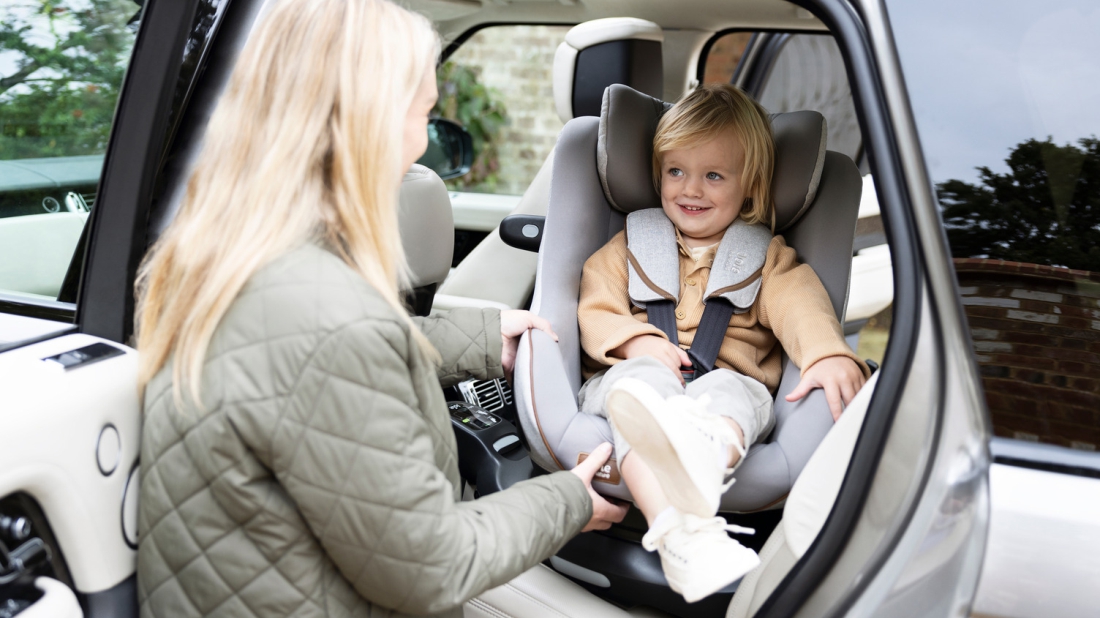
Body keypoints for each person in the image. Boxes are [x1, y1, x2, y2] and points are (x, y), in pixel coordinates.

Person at [132, 1, 627, 616]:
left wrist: (477, 338)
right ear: (368, 124)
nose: (421, 145)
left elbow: (295, 354)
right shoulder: (327, 314)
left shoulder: (225, 255)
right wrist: (569, 499)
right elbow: (432, 567)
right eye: (422, 113)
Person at [576, 83, 869, 603]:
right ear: (658, 173)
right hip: (633, 378)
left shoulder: (767, 258)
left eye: (714, 175)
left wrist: (825, 351)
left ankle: (702, 457)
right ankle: (682, 530)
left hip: (726, 384)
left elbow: (802, 306)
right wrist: (635, 343)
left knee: (736, 395)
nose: (691, 189)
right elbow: (596, 309)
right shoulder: (630, 244)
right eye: (675, 171)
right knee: (641, 398)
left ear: (750, 188)